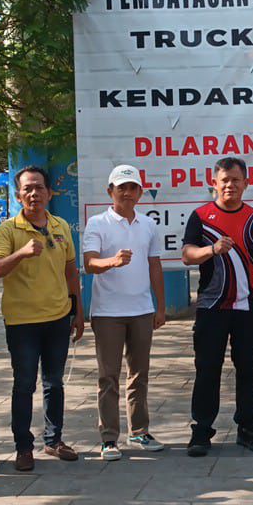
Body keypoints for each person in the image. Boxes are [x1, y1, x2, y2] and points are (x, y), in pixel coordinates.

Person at [0, 167, 85, 472]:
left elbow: (71, 271)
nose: (34, 194)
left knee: (54, 383)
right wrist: (22, 253)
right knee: (24, 384)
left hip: (58, 317)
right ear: (18, 196)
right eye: (27, 189)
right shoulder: (7, 230)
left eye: (39, 188)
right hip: (22, 322)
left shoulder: (60, 226)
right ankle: (23, 447)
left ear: (49, 193)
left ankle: (54, 440)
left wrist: (78, 311)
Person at [180, 157, 253, 457]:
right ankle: (201, 430)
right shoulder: (201, 216)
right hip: (211, 307)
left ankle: (247, 428)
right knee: (207, 368)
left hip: (247, 308)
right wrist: (212, 249)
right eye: (224, 180)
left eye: (236, 180)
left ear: (246, 183)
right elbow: (187, 255)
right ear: (214, 183)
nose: (230, 185)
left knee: (248, 369)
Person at [82, 164, 167, 461]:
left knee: (139, 374)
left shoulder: (148, 224)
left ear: (140, 193)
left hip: (142, 309)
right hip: (108, 312)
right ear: (110, 191)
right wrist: (112, 262)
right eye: (122, 188)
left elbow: (154, 265)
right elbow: (89, 264)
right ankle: (109, 438)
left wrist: (160, 306)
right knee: (108, 377)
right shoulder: (97, 223)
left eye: (133, 188)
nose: (127, 193)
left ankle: (139, 431)